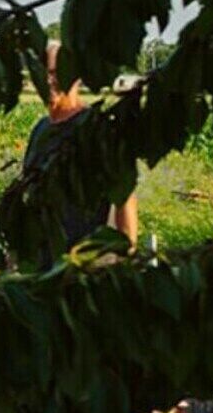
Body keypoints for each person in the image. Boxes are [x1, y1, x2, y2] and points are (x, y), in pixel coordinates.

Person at [21, 45, 139, 257]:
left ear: (76, 77)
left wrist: (127, 255)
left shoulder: (95, 130)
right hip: (43, 266)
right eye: (44, 74)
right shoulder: (40, 130)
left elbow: (124, 197)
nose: (48, 81)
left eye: (56, 73)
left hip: (84, 264)